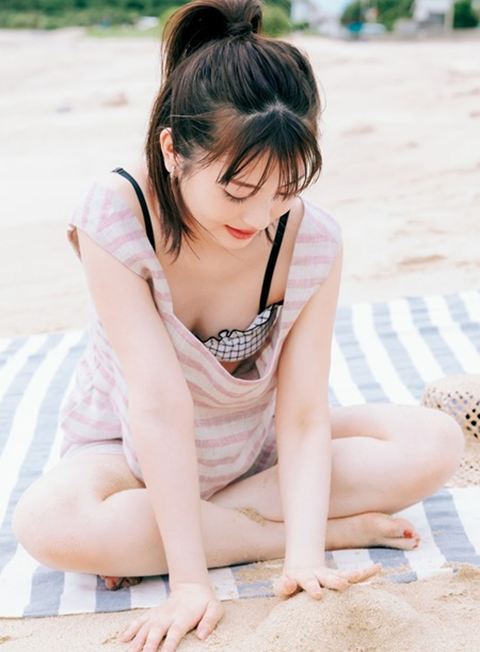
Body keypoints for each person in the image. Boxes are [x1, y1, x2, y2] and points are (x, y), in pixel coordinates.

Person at [12, 0, 465, 650]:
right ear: (173, 149)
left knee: (434, 442)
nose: (258, 217)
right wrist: (190, 583)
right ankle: (276, 533)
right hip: (131, 456)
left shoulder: (312, 238)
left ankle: (204, 533)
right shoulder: (117, 214)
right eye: (238, 191)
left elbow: (302, 414)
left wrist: (305, 562)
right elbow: (158, 405)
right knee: (48, 521)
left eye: (284, 190)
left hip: (255, 448)